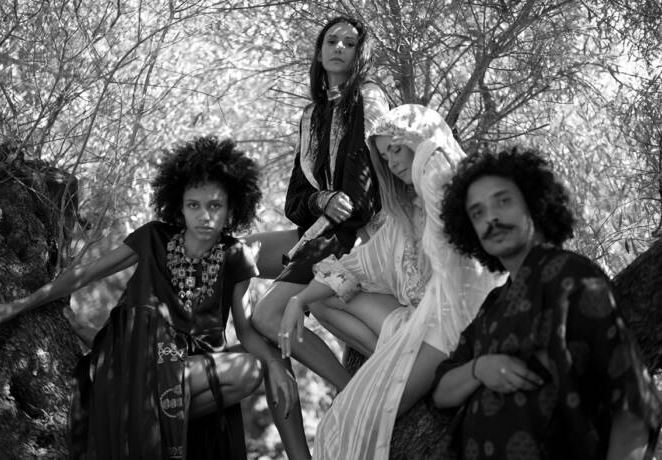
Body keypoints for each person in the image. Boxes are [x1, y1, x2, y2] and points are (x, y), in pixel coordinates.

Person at [0, 136, 297, 460]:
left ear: (231, 208)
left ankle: (145, 417)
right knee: (174, 363)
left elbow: (245, 332)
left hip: (186, 371)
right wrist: (17, 305)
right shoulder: (153, 236)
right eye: (193, 205)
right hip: (138, 354)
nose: (204, 216)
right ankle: (149, 415)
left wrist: (275, 366)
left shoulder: (237, 257)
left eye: (215, 206)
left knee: (251, 370)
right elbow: (85, 274)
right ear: (179, 206)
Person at [278, 104, 500, 460]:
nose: (392, 162)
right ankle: (388, 361)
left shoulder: (452, 196)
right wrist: (297, 300)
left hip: (451, 332)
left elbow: (442, 178)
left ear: (421, 142)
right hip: (414, 324)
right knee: (321, 297)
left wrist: (430, 155)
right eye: (384, 156)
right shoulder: (403, 214)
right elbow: (356, 267)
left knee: (355, 421)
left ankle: (400, 371)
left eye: (397, 149)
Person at [430, 148, 662, 459]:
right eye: (477, 213)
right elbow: (441, 391)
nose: (491, 219)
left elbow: (634, 408)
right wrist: (479, 368)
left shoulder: (572, 278)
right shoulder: (493, 304)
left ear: (534, 203)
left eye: (503, 201)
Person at [247, 15, 389, 459]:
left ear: (360, 54)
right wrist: (321, 199)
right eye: (332, 40)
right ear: (320, 50)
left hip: (358, 234)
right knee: (236, 255)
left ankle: (352, 390)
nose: (339, 47)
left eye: (350, 42)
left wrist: (331, 206)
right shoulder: (313, 115)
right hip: (320, 227)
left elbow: (362, 198)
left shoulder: (368, 99)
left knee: (268, 315)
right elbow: (296, 201)